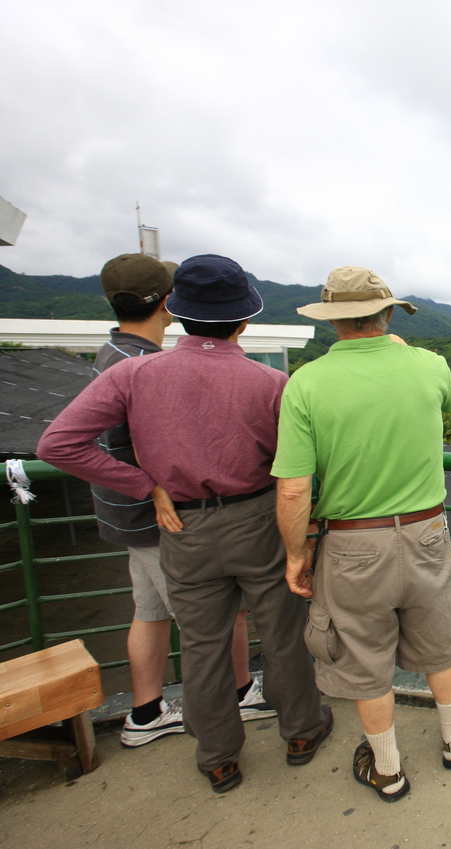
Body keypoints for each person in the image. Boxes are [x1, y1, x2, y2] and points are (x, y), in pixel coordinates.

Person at [38, 254, 331, 793]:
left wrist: (143, 485)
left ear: (175, 309)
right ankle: (301, 732)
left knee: (201, 644)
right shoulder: (272, 382)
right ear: (245, 320)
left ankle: (218, 757)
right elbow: (299, 468)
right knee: (284, 634)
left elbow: (57, 444)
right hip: (258, 521)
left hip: (181, 525)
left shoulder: (132, 374)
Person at [273, 266, 451, 803]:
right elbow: (448, 405)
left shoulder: (305, 383)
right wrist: (403, 354)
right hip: (427, 533)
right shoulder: (430, 365)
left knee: (363, 657)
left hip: (350, 546)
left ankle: (388, 771)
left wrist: (296, 555)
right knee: (441, 640)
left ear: (331, 321)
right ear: (388, 313)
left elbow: (293, 489)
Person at [87, 254, 272, 749]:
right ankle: (236, 697)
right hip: (166, 518)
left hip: (131, 518)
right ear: (169, 302)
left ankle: (146, 712)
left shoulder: (114, 352)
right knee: (213, 620)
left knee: (149, 613)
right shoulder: (139, 366)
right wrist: (147, 486)